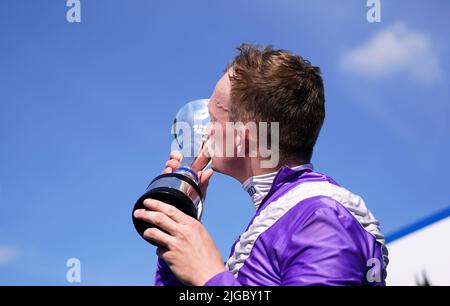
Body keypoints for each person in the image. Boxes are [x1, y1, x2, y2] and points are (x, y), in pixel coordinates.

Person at [133, 44, 388, 286]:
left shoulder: (320, 218)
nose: (206, 132)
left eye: (213, 119)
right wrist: (179, 228)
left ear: (243, 137)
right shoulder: (286, 213)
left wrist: (209, 275)